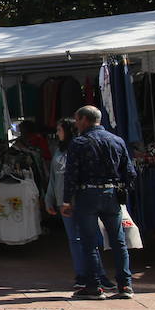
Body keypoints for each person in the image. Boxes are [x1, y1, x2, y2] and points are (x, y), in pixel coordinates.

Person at [62, 106, 137, 299]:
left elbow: (71, 175)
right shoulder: (117, 141)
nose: (76, 124)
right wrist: (122, 191)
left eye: (77, 120)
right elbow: (130, 172)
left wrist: (66, 201)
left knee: (89, 242)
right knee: (118, 241)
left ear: (85, 120)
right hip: (112, 194)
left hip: (87, 195)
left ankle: (94, 286)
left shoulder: (79, 143)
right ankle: (125, 285)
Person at [45, 118, 109, 297]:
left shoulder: (81, 148)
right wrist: (49, 199)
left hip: (82, 200)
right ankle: (81, 274)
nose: (57, 133)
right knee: (75, 239)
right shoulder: (59, 151)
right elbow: (53, 178)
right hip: (63, 201)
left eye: (59, 130)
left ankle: (98, 274)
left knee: (91, 237)